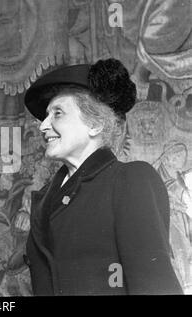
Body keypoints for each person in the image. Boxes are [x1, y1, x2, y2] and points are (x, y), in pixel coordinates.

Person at [23, 58, 182, 295]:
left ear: (95, 124)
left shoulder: (130, 181)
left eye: (57, 113)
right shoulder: (46, 198)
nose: (43, 125)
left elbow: (156, 286)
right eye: (45, 116)